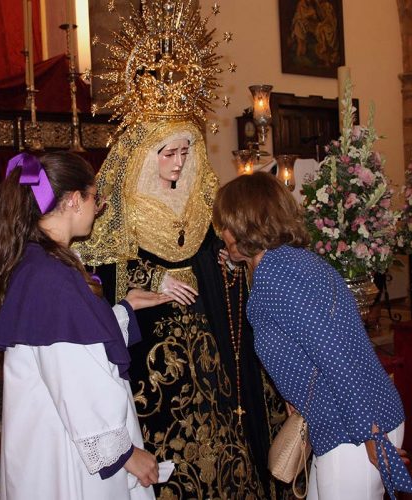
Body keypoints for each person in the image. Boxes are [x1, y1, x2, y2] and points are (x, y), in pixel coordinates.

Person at [76, 121, 291, 499]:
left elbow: (210, 250)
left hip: (206, 328)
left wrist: (224, 260)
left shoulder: (198, 199)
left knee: (219, 411)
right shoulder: (123, 205)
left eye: (185, 153)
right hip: (152, 332)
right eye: (169, 154)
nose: (178, 163)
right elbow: (104, 270)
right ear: (146, 156)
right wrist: (155, 278)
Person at [213, 172, 412, 500]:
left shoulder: (279, 277)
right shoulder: (285, 263)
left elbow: (336, 354)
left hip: (353, 428)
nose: (221, 233)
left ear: (243, 224)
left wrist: (371, 436)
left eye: (224, 224)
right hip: (345, 419)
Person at [0, 152, 171, 499]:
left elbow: (78, 343)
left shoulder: (43, 261)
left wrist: (126, 309)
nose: (97, 208)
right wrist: (126, 454)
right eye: (94, 198)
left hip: (57, 429)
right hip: (65, 448)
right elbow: (75, 378)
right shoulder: (50, 277)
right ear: (74, 200)